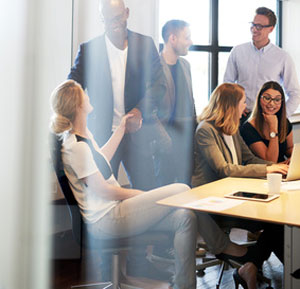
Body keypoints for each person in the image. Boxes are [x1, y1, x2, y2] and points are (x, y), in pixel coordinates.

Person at [49, 80, 251, 285]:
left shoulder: (85, 137)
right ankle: (221, 245)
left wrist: (121, 128)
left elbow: (103, 160)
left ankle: (184, 285)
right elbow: (103, 190)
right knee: (182, 188)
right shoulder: (75, 146)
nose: (87, 94)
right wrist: (140, 194)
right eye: (83, 94)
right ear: (77, 106)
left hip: (117, 210)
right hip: (106, 219)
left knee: (186, 216)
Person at [192, 83, 289, 289]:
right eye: (243, 102)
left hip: (235, 196)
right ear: (230, 105)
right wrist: (268, 170)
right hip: (215, 204)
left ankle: (253, 266)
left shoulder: (231, 128)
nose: (245, 108)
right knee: (274, 223)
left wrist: (277, 167)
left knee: (277, 221)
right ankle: (289, 270)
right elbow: (224, 169)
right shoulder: (205, 131)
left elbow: (250, 158)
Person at [68, 0, 166, 190]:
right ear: (101, 19)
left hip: (138, 133)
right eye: (108, 19)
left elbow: (159, 85)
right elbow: (71, 86)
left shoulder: (144, 44)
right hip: (104, 135)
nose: (114, 23)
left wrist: (139, 110)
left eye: (118, 17)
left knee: (147, 190)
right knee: (101, 192)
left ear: (126, 14)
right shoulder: (89, 50)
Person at [224, 6, 300, 121]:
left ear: (271, 29)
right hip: (241, 116)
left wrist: (280, 117)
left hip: (268, 118)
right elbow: (227, 84)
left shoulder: (282, 57)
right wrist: (235, 105)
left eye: (259, 26)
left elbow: (295, 93)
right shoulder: (238, 51)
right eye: (253, 25)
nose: (254, 29)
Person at [156, 20, 196, 186]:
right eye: (187, 37)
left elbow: (190, 101)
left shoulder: (185, 65)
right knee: (164, 189)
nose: (190, 42)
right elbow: (149, 110)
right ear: (172, 39)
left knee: (186, 187)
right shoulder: (154, 67)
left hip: (186, 139)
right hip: (165, 140)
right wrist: (164, 139)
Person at [240, 81, 293, 163]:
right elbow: (270, 161)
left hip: (283, 170)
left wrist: (293, 159)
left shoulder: (284, 122)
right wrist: (273, 128)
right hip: (262, 173)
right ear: (259, 99)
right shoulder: (248, 128)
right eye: (267, 98)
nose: (272, 103)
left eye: (277, 99)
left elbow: (289, 148)